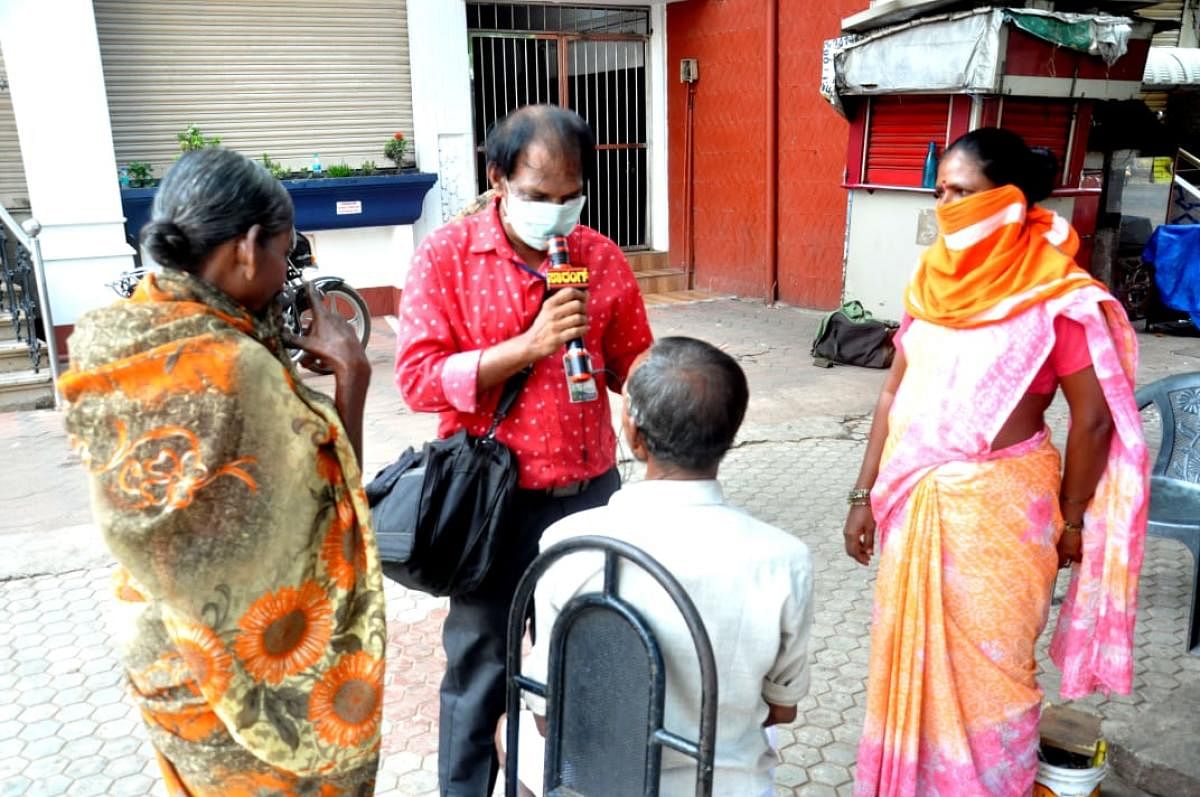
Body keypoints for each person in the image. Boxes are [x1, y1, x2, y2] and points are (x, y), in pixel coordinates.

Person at [59, 148, 386, 796]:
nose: (284, 274)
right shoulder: (238, 369)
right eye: (283, 254)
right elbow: (328, 515)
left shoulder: (115, 337)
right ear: (246, 248)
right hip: (234, 678)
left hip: (159, 646)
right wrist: (351, 378)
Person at [843, 128, 1148, 797]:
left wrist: (1074, 520)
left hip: (1006, 513)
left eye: (964, 192)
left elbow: (1093, 419)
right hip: (914, 501)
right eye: (940, 191)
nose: (947, 206)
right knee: (910, 660)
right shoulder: (932, 283)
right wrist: (862, 494)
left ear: (1011, 200)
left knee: (999, 667)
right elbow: (895, 389)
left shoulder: (1057, 295)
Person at [394, 104, 653, 794]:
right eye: (539, 196)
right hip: (489, 505)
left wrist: (674, 411)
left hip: (589, 495)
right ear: (498, 178)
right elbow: (419, 379)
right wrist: (528, 347)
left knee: (591, 659)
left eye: (571, 196)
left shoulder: (600, 258)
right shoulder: (447, 257)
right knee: (482, 669)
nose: (557, 213)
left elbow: (636, 366)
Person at [498, 336, 814, 797]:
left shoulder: (569, 545)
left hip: (598, 783)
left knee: (511, 726)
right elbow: (782, 710)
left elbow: (548, 715)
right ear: (730, 435)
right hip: (723, 785)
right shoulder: (786, 560)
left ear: (633, 434)